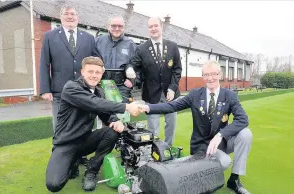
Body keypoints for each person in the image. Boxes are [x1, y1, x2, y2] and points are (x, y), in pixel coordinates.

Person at [140, 60, 252, 194]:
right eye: (206, 74)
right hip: (202, 145)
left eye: (213, 74)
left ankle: (234, 180)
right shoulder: (195, 95)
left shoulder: (230, 95)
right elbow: (172, 106)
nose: (210, 78)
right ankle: (203, 169)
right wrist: (147, 107)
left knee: (246, 134)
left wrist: (220, 134)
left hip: (221, 142)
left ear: (220, 74)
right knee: (224, 162)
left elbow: (243, 119)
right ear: (203, 76)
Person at [45, 56, 142, 192]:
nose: (94, 75)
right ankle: (73, 160)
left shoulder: (99, 91)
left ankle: (92, 171)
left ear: (101, 74)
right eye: (90, 71)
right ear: (82, 72)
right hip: (66, 143)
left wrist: (114, 120)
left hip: (85, 140)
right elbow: (94, 103)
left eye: (97, 72)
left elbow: (103, 110)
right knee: (54, 185)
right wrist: (126, 107)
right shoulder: (71, 88)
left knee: (112, 132)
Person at [39, 4, 98, 165]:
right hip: (59, 92)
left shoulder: (89, 38)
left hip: (84, 91)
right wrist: (45, 89)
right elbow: (44, 63)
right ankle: (62, 160)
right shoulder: (49, 36)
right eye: (66, 14)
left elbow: (96, 64)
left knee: (85, 125)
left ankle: (81, 156)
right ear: (61, 17)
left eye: (73, 14)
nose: (70, 16)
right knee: (61, 127)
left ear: (78, 18)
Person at [128, 17, 182, 146]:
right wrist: (129, 69)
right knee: (153, 127)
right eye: (150, 26)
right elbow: (132, 64)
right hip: (151, 94)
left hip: (170, 94)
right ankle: (155, 151)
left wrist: (172, 88)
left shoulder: (173, 46)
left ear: (161, 27)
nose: (153, 29)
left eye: (155, 26)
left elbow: (177, 69)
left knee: (171, 124)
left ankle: (169, 148)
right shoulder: (141, 48)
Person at [94, 15, 137, 103]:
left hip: (122, 88)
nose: (117, 28)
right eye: (113, 26)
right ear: (108, 26)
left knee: (121, 115)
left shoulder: (131, 45)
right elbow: (89, 61)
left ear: (124, 28)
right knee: (102, 114)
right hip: (100, 86)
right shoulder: (97, 41)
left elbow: (138, 65)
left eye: (120, 26)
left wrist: (133, 81)